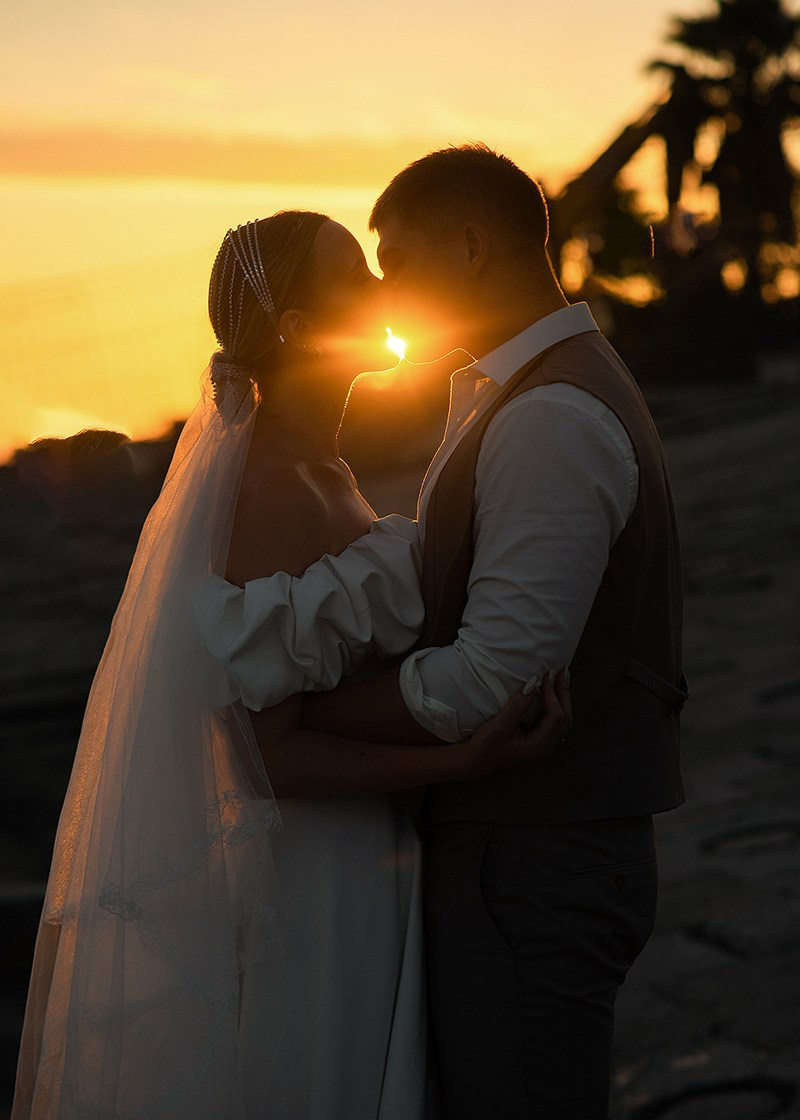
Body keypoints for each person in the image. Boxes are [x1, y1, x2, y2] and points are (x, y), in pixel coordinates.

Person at [12, 209, 571, 1120]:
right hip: (323, 869)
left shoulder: (321, 466)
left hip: (363, 844)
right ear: (302, 331)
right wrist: (458, 762)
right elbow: (265, 750)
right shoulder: (270, 486)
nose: (385, 290)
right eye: (355, 277)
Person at [199, 147, 687, 1119]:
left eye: (395, 257)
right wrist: (285, 733)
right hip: (475, 863)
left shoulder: (547, 413)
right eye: (362, 269)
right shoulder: (516, 396)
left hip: (533, 863)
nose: (384, 289)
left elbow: (483, 684)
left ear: (468, 246)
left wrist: (302, 720)